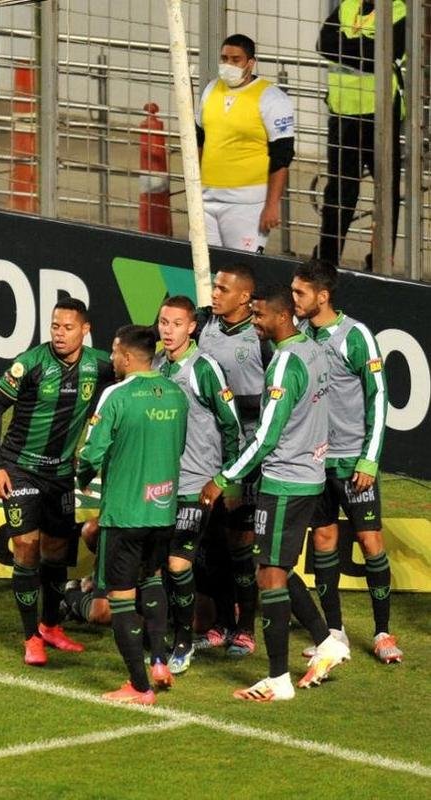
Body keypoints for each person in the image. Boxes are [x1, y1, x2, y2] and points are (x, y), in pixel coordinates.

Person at [200, 286, 348, 702]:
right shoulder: (313, 350)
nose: (255, 321)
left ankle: (278, 679)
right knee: (276, 568)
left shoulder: (283, 363)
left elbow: (266, 436)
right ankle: (326, 641)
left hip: (285, 479)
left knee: (269, 575)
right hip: (309, 475)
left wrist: (225, 477)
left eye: (260, 315)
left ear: (281, 317)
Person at [0, 298, 115, 666]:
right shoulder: (30, 365)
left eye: (68, 327)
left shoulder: (99, 365)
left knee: (57, 552)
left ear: (85, 330)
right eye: (55, 326)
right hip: (20, 468)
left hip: (60, 474)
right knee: (26, 547)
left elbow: (135, 366)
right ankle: (30, 638)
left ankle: (51, 626)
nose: (59, 334)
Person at [291, 259, 402, 663]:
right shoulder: (299, 335)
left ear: (322, 296)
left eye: (300, 293)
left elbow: (379, 398)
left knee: (371, 543)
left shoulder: (356, 337)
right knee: (323, 542)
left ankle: (383, 631)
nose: (294, 299)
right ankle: (334, 633)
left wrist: (369, 460)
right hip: (315, 465)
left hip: (354, 463)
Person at [77, 325, 187, 705]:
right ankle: (159, 661)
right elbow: (181, 443)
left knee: (121, 600)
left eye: (113, 351)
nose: (111, 358)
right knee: (154, 580)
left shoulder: (116, 395)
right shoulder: (176, 393)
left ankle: (139, 687)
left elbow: (92, 453)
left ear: (126, 355)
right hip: (163, 510)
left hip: (125, 513)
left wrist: (82, 475)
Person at [154, 295, 243, 676]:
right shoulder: (156, 366)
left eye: (175, 324)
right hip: (159, 486)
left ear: (192, 327)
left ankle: (184, 641)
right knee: (160, 566)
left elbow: (232, 426)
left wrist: (227, 478)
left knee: (178, 563)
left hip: (196, 485)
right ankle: (164, 637)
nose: (167, 330)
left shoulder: (204, 369)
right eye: (163, 322)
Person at [193, 264, 269, 657]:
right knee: (214, 540)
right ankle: (222, 622)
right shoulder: (203, 324)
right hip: (208, 451)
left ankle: (245, 628)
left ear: (244, 297)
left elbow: (276, 399)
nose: (215, 293)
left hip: (246, 452)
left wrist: (225, 401)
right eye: (215, 287)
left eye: (223, 288)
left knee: (242, 544)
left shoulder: (261, 338)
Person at [316, 1, 406, 271]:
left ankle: (379, 262)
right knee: (339, 192)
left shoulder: (398, 10)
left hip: (380, 115)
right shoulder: (348, 6)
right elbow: (323, 43)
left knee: (386, 192)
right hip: (343, 114)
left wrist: (343, 46)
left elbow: (382, 57)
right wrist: (362, 50)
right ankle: (326, 262)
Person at [196, 34, 296, 253]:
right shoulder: (210, 90)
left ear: (251, 62)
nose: (228, 65)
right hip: (206, 199)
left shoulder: (272, 98)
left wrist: (271, 205)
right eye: (224, 58)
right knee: (208, 271)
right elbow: (200, 139)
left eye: (235, 59)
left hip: (247, 204)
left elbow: (282, 157)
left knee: (241, 270)